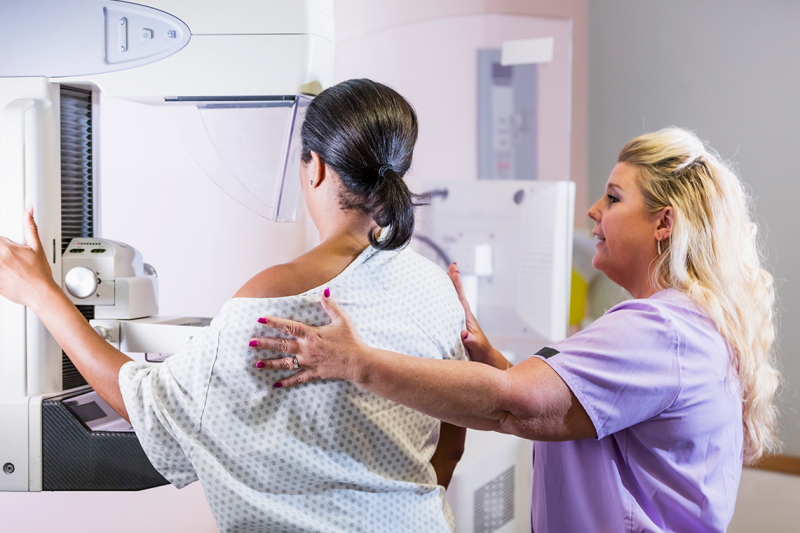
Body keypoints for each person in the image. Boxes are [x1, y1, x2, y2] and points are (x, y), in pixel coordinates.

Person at [250, 127, 780, 532]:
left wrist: (353, 362)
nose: (594, 211)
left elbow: (520, 407)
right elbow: (578, 412)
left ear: (664, 223)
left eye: (615, 199)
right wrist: (496, 362)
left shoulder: (661, 330)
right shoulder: (691, 326)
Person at [0, 79, 469, 532]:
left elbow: (146, 403)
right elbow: (450, 444)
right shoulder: (435, 289)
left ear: (316, 168)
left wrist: (42, 293)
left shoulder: (275, 296)